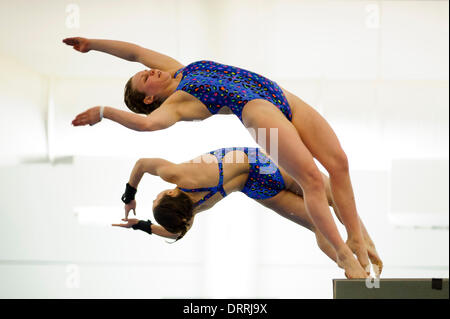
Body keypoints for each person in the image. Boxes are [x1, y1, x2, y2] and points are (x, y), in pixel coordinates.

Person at [64, 37, 371, 278]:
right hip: (256, 109)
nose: (148, 71)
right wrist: (104, 113)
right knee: (313, 181)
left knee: (339, 163)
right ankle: (344, 254)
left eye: (145, 72)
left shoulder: (177, 70)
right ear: (150, 98)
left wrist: (92, 45)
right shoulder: (174, 107)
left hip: (277, 94)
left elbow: (136, 51)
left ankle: (357, 240)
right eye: (145, 79)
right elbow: (146, 126)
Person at [111, 147, 382, 278]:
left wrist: (140, 226)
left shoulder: (192, 212)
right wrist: (129, 194)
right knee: (330, 195)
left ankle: (353, 268)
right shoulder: (178, 175)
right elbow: (143, 164)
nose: (159, 192)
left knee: (317, 224)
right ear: (170, 193)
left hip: (257, 189)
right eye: (158, 195)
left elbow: (174, 231)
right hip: (262, 166)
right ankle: (362, 241)